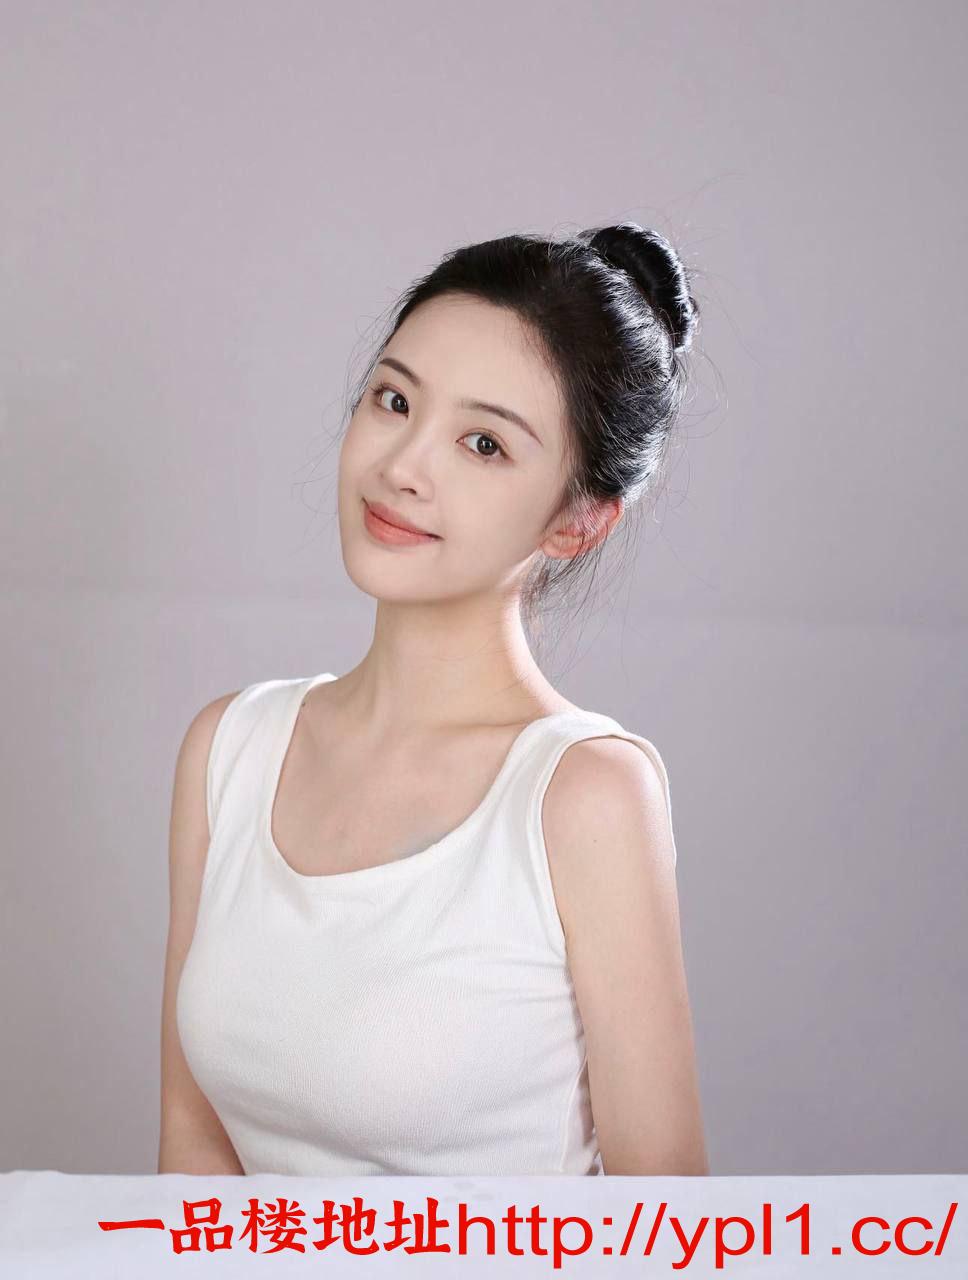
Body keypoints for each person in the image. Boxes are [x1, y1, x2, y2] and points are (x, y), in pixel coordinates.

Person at [158, 222, 709, 1177]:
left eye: (484, 444)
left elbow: (667, 1214)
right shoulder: (231, 750)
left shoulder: (584, 795)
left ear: (579, 522)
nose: (402, 467)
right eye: (395, 399)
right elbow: (191, 1151)